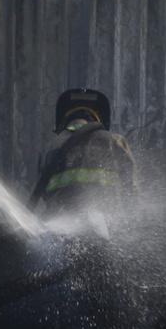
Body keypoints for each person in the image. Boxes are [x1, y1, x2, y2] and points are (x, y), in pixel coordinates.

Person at [30, 88, 136, 228]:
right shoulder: (115, 141)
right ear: (99, 118)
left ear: (63, 120)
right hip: (108, 226)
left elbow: (41, 192)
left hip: (61, 225)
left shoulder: (52, 147)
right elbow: (131, 188)